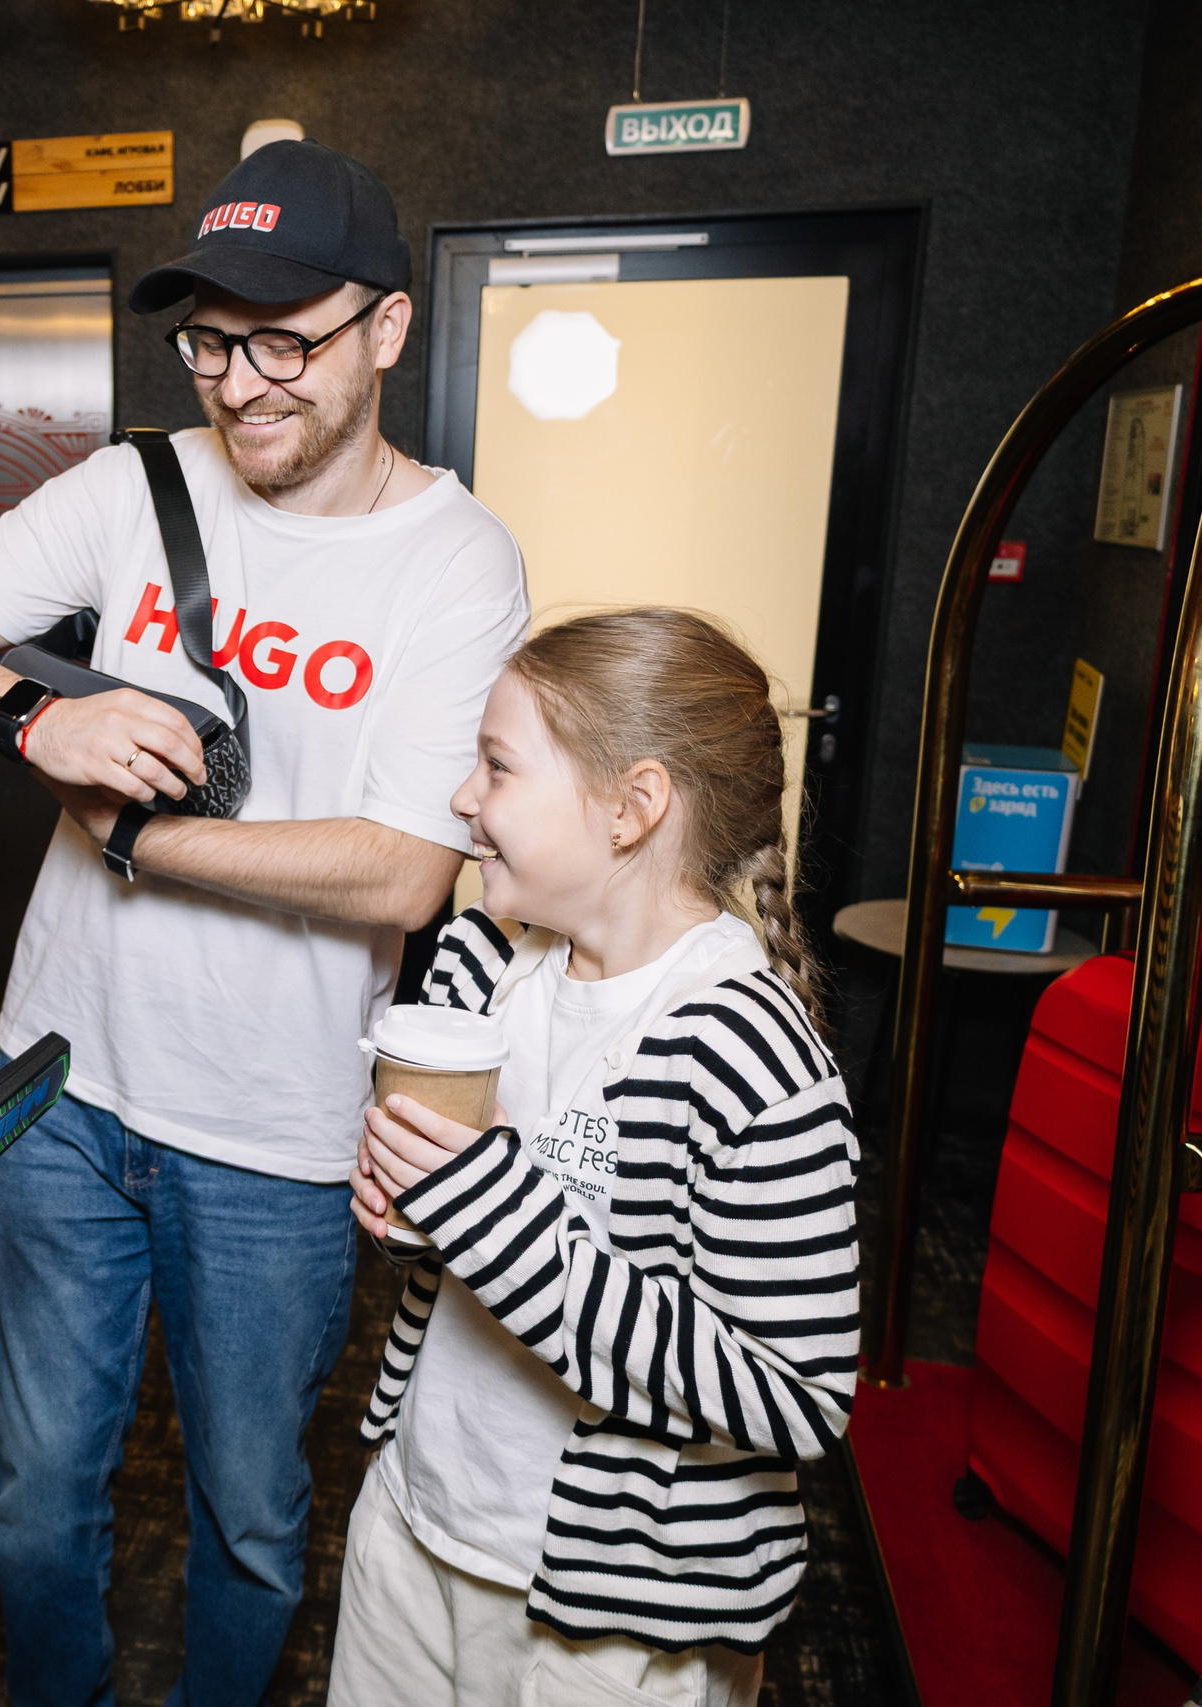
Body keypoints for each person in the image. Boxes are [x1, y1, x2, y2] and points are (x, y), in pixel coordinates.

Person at [0, 139, 528, 1706]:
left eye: (287, 337)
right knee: (33, 1499)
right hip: (59, 1095)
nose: (243, 383)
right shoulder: (130, 486)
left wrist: (145, 826)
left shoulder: (454, 559)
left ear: (388, 329)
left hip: (277, 1133)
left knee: (248, 1516)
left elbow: (401, 872)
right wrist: (38, 720)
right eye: (213, 340)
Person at [335, 609, 861, 1707]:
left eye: (497, 765)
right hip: (418, 1523)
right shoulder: (485, 962)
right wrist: (406, 1217)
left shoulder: (746, 1051)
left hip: (613, 1619)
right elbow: (464, 1245)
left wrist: (488, 1213)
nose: (461, 799)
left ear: (633, 807)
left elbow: (797, 1397)